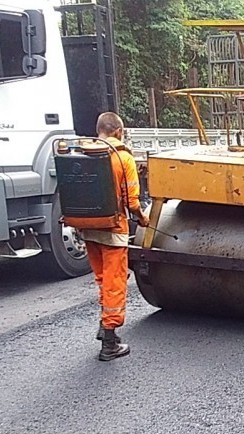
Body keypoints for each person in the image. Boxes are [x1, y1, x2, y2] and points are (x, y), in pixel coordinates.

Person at [81, 112, 149, 361]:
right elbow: (132, 202)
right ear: (119, 132)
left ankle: (104, 324)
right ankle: (109, 342)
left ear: (98, 130)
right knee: (115, 281)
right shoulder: (122, 158)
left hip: (88, 228)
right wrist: (142, 219)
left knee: (102, 279)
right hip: (113, 230)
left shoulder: (84, 153)